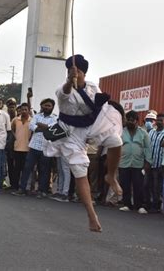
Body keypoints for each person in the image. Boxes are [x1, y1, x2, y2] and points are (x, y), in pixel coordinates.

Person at [43, 55, 124, 232]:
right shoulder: (62, 89)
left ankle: (110, 176)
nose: (73, 73)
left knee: (116, 140)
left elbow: (97, 106)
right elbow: (65, 91)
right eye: (70, 71)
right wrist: (69, 81)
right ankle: (91, 215)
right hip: (71, 131)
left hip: (91, 125)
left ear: (83, 73)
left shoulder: (93, 86)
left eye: (77, 71)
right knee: (80, 171)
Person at [13, 99, 57, 198]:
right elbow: (32, 127)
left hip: (45, 148)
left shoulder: (55, 118)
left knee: (44, 170)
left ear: (52, 107)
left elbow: (52, 129)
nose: (46, 107)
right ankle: (22, 189)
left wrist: (40, 126)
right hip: (33, 147)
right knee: (27, 168)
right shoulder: (37, 116)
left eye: (49, 106)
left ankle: (41, 191)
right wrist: (44, 128)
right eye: (45, 105)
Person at [118, 110, 152, 214]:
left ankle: (139, 206)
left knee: (138, 185)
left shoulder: (143, 133)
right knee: (125, 184)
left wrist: (147, 162)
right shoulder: (121, 132)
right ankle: (127, 204)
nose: (129, 122)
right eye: (128, 120)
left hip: (138, 164)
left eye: (132, 120)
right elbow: (116, 146)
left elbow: (148, 148)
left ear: (137, 121)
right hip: (123, 163)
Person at [145, 113, 164, 213]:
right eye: (157, 120)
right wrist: (146, 162)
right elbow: (147, 148)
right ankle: (147, 204)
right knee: (146, 185)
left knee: (157, 187)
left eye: (161, 120)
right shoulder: (151, 133)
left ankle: (156, 206)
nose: (159, 122)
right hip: (149, 164)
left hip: (159, 165)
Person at [9, 102, 32, 190]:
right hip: (17, 148)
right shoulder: (15, 120)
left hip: (27, 149)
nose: (24, 111)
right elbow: (12, 129)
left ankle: (24, 187)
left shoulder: (32, 120)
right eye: (22, 109)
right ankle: (15, 186)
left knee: (25, 169)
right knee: (16, 169)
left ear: (29, 111)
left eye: (26, 109)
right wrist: (16, 137)